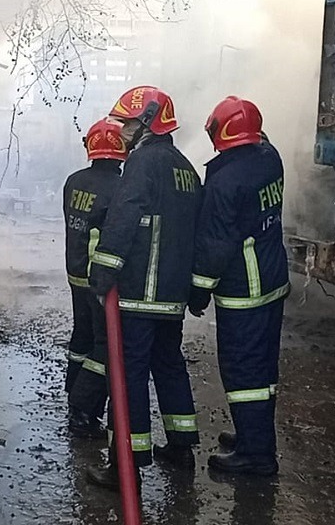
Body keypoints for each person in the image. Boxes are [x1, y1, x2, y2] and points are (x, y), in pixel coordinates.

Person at [87, 85, 203, 489]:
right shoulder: (186, 169)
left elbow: (125, 216)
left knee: (128, 376)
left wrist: (103, 270)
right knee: (169, 365)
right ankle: (181, 447)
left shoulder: (142, 163)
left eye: (126, 122)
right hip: (171, 298)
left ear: (148, 122)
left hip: (139, 295)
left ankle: (126, 465)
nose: (120, 130)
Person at [188, 96, 289, 476]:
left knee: (244, 373)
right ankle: (254, 435)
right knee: (264, 369)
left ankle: (256, 456)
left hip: (245, 291)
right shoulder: (270, 158)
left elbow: (215, 245)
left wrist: (198, 292)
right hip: (273, 279)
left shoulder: (226, 182)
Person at [62, 118, 126, 437]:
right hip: (99, 278)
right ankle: (82, 408)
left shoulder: (73, 181)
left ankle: (73, 391)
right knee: (105, 345)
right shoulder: (119, 188)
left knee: (82, 336)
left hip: (76, 272)